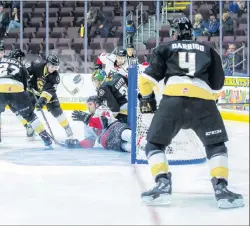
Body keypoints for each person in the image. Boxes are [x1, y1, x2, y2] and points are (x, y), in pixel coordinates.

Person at [137, 17, 243, 209]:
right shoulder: (209, 50)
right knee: (216, 146)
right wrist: (211, 100)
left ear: (174, 33)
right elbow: (218, 84)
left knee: (155, 144)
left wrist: (147, 99)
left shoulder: (164, 49)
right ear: (192, 32)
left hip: (172, 103)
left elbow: (145, 80)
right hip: (203, 103)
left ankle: (162, 184)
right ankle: (221, 189)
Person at [0, 48, 53, 147]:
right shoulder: (21, 65)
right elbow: (25, 85)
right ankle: (45, 137)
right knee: (30, 115)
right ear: (20, 58)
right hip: (17, 90)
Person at [26, 55, 74, 138]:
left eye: (56, 67)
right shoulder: (37, 66)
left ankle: (67, 127)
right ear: (47, 64)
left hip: (47, 95)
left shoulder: (55, 77)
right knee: (28, 111)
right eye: (52, 66)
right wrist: (27, 80)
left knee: (57, 110)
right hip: (33, 91)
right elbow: (26, 72)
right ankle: (30, 127)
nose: (54, 69)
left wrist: (42, 101)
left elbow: (48, 91)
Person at [65, 96, 131, 152]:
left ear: (96, 104)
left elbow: (103, 123)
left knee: (128, 135)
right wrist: (78, 145)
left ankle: (140, 141)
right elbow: (90, 141)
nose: (88, 107)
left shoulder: (102, 108)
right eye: (87, 105)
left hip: (114, 128)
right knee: (128, 147)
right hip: (106, 141)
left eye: (90, 104)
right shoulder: (87, 121)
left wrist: (87, 119)